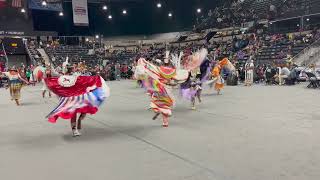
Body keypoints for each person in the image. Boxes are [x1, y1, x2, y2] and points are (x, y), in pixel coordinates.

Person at [44, 66, 110, 137]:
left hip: (73, 97)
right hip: (73, 98)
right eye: (73, 68)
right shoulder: (70, 76)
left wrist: (50, 70)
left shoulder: (68, 76)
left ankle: (75, 128)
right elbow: (85, 80)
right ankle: (76, 128)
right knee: (81, 109)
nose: (74, 69)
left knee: (78, 111)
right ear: (71, 70)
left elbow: (54, 75)